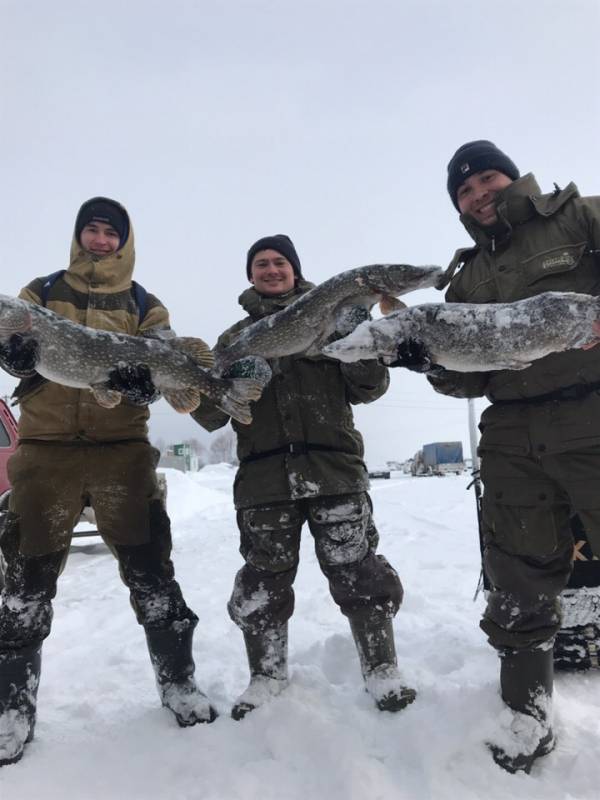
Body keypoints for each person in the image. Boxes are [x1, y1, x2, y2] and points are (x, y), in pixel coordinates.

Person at [391, 140, 600, 773]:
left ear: (510, 175)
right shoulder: (466, 280)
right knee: (517, 583)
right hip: (512, 436)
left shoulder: (581, 217)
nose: (478, 193)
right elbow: (468, 379)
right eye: (464, 190)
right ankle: (526, 717)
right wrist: (429, 361)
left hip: (593, 414)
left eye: (486, 178)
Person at [0, 197, 217, 767]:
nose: (100, 239)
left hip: (122, 453)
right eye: (91, 230)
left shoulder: (145, 303)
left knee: (152, 574)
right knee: (25, 583)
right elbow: (18, 361)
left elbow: (169, 356)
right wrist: (15, 352)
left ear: (123, 241)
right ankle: (11, 708)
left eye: (109, 232)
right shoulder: (39, 294)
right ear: (78, 236)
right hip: (47, 451)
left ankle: (178, 682)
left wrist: (148, 382)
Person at [192, 234, 415, 720]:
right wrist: (230, 382)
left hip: (334, 472)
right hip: (264, 481)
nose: (271, 270)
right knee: (263, 581)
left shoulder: (335, 315)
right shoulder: (233, 340)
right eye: (261, 264)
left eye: (279, 262)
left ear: (295, 269)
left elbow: (370, 388)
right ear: (250, 275)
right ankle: (266, 675)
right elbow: (210, 416)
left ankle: (381, 669)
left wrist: (357, 341)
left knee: (359, 572)